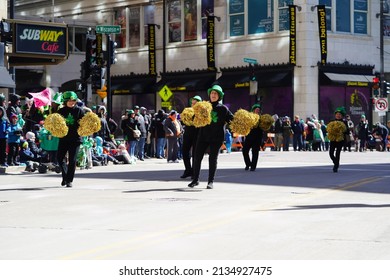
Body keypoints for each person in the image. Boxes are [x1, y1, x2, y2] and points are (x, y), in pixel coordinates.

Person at [188, 84, 234, 189]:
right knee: (197, 157)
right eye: (212, 93)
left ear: (219, 96)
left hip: (216, 138)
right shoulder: (204, 106)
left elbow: (231, 120)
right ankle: (195, 180)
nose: (213, 95)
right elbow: (195, 119)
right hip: (203, 135)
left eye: (215, 93)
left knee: (212, 159)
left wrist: (240, 123)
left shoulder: (223, 109)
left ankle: (210, 182)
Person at [56, 91, 86, 187]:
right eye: (69, 101)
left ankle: (69, 180)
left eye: (73, 100)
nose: (71, 102)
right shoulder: (60, 111)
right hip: (64, 138)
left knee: (72, 160)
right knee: (59, 158)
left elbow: (85, 124)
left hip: (75, 139)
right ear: (65, 101)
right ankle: (65, 176)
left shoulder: (80, 111)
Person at [181, 95, 202, 178]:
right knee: (184, 151)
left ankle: (194, 171)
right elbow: (183, 122)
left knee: (195, 154)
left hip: (197, 134)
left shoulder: (201, 112)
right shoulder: (188, 111)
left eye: (195, 103)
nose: (193, 104)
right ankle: (188, 170)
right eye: (192, 103)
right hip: (187, 134)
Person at [242, 104, 263, 171]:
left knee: (255, 152)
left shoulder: (262, 118)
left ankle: (253, 166)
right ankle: (248, 164)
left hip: (257, 137)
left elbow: (264, 128)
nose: (257, 111)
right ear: (253, 110)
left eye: (258, 110)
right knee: (245, 151)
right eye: (256, 109)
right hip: (249, 137)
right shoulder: (249, 118)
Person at [328, 107, 349, 173]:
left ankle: (336, 167)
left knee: (337, 152)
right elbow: (328, 129)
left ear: (342, 115)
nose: (338, 115)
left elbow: (347, 131)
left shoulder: (344, 122)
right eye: (337, 114)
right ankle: (336, 162)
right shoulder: (332, 121)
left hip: (340, 139)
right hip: (333, 139)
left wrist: (341, 131)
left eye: (339, 114)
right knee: (331, 153)